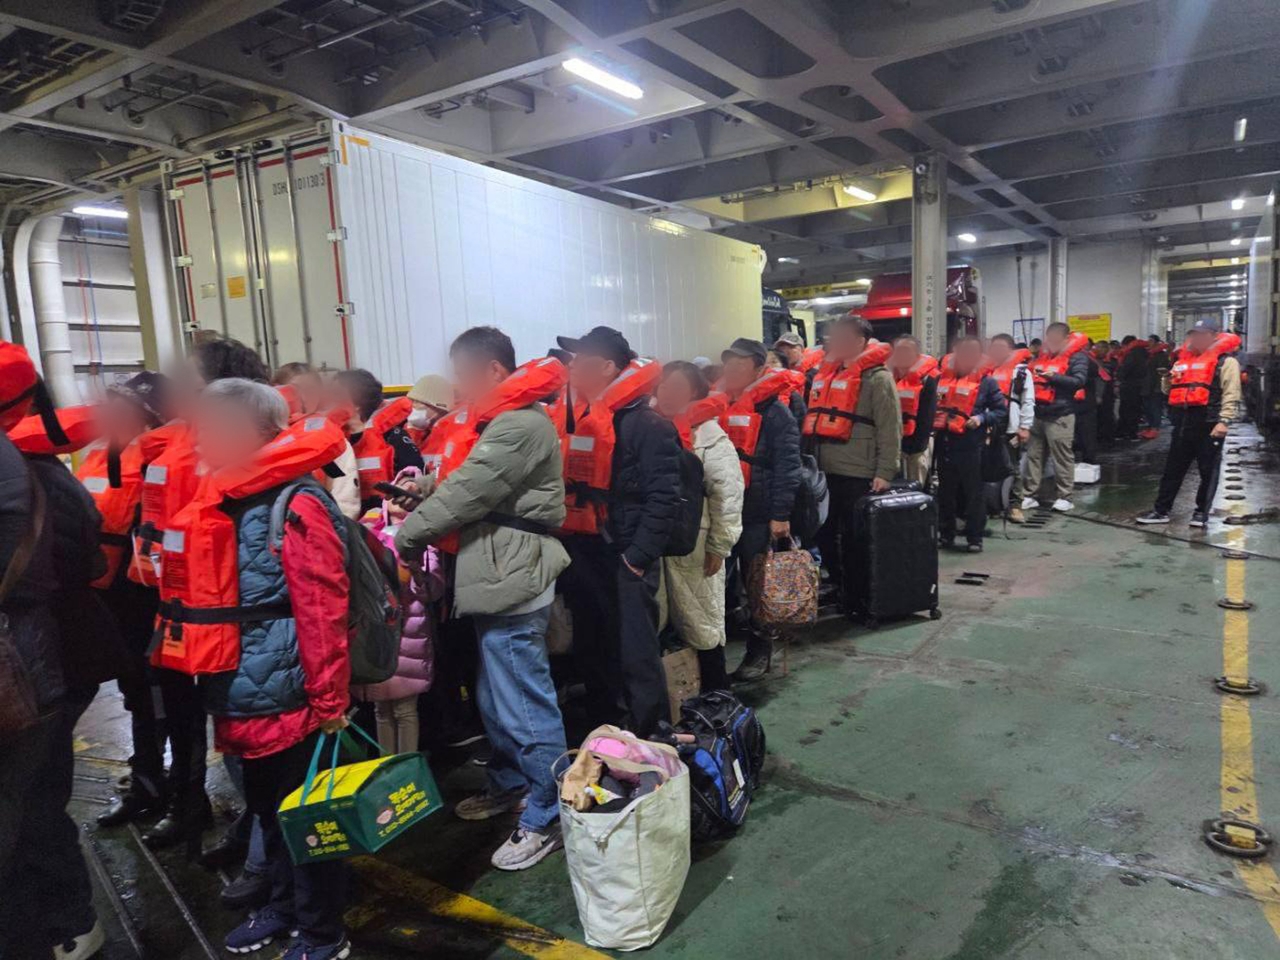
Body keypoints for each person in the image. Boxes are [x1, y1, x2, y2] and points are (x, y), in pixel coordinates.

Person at [162, 379, 353, 960]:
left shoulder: (295, 504)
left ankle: (324, 932)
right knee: (268, 813)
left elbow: (323, 608)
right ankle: (285, 907)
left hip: (293, 698)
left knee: (309, 822)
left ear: (258, 432)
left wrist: (328, 702)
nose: (200, 441)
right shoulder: (227, 499)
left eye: (214, 428)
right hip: (238, 692)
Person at [395, 326, 571, 870]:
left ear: (495, 372)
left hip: (511, 574)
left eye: (465, 372)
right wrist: (422, 488)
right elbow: (464, 477)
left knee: (523, 700)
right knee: (497, 697)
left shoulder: (517, 423)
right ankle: (511, 783)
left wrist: (409, 534)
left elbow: (474, 490)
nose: (458, 384)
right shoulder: (500, 421)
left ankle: (549, 811)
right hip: (493, 570)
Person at [0, 343, 110, 960]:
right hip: (44, 662)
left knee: (33, 806)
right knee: (35, 804)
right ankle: (65, 921)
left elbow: (81, 563)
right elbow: (89, 561)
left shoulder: (30, 471)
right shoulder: (39, 468)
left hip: (39, 668)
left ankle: (66, 921)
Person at [556, 326, 680, 736]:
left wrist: (638, 557)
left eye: (581, 359)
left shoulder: (649, 424)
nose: (572, 368)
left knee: (636, 649)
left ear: (608, 366)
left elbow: (665, 498)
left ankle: (652, 733)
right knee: (593, 642)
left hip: (628, 553)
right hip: (587, 548)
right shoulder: (584, 420)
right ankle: (605, 726)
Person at [654, 362, 743, 692]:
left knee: (704, 623)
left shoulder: (710, 437)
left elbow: (728, 493)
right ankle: (680, 698)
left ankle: (718, 697)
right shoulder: (653, 427)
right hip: (659, 545)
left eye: (676, 386)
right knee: (664, 623)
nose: (667, 392)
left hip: (697, 545)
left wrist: (720, 545)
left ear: (694, 392)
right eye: (663, 386)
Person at [717, 339, 799, 682]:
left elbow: (788, 466)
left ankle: (759, 651)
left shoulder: (776, 412)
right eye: (729, 365)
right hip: (725, 510)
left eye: (739, 365)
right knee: (722, 583)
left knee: (757, 585)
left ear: (757, 369)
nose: (732, 372)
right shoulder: (719, 405)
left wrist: (780, 515)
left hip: (757, 512)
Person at [804, 315, 899, 610]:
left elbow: (889, 427)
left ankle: (859, 595)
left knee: (857, 538)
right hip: (825, 470)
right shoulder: (827, 374)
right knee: (826, 533)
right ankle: (839, 585)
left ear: (860, 342)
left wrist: (885, 471)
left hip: (859, 471)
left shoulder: (878, 378)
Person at [353, 468, 444, 755]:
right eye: (395, 491)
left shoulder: (426, 538)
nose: (398, 499)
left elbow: (433, 590)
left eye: (408, 491)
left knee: (405, 710)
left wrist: (415, 570)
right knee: (381, 709)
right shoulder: (367, 531)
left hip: (410, 631)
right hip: (378, 631)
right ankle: (386, 768)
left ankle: (406, 770)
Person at [1137, 321, 1242, 527]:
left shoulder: (1226, 362)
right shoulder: (1183, 360)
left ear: (1214, 336)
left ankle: (1201, 513)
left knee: (1208, 470)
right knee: (1173, 469)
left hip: (1209, 422)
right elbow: (1169, 391)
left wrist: (1224, 421)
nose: (1196, 339)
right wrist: (1167, 379)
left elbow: (1232, 393)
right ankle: (1161, 510)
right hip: (1183, 421)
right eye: (1194, 335)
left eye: (1202, 335)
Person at [932, 337, 1007, 552]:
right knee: (946, 492)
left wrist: (981, 419)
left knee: (974, 492)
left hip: (971, 445)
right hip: (945, 442)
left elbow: (1000, 411)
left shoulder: (987, 382)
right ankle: (946, 534)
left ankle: (975, 537)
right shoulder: (942, 379)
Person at [1013, 322, 1089, 513]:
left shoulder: (1077, 357)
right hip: (1038, 414)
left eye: (1056, 337)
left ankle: (1065, 496)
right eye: (1049, 337)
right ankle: (1030, 494)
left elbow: (1079, 381)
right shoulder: (1042, 355)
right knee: (1034, 456)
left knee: (1062, 457)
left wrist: (1052, 377)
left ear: (1065, 338)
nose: (1052, 341)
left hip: (1060, 415)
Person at [275, 361, 361, 519]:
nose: (303, 397)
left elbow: (346, 503)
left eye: (310, 390)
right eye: (294, 390)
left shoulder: (334, 442)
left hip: (321, 528)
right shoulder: (264, 439)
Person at [331, 367, 423, 510]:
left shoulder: (393, 437)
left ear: (356, 404)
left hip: (385, 523)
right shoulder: (332, 444)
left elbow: (415, 478)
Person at [987, 334, 1035, 523]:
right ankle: (991, 504)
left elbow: (1028, 401)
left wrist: (1025, 426)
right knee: (988, 465)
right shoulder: (985, 369)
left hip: (1011, 427)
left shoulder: (1021, 373)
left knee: (1012, 467)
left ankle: (1015, 505)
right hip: (988, 426)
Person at [889, 334, 938, 487]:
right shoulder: (888, 379)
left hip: (916, 446)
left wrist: (916, 447)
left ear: (916, 355)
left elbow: (927, 419)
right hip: (893, 445)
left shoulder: (927, 381)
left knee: (915, 485)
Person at [1072, 341, 1102, 465]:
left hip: (1083, 403)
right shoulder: (1091, 360)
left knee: (1085, 434)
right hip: (1078, 403)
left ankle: (1087, 461)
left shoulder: (1087, 360)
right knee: (1083, 434)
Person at [1115, 335, 1147, 440]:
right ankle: (1132, 432)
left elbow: (1126, 369)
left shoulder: (1131, 354)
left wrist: (1119, 376)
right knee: (1135, 409)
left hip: (1129, 384)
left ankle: (1123, 432)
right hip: (1139, 385)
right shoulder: (1144, 352)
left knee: (1125, 409)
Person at [1141, 335, 1171, 439]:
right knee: (1147, 407)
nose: (1148, 343)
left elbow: (1163, 371)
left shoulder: (1161, 355)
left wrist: (1161, 386)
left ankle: (1155, 428)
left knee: (1155, 407)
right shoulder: (1147, 355)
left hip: (1156, 386)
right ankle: (1150, 427)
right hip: (1146, 386)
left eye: (1151, 341)